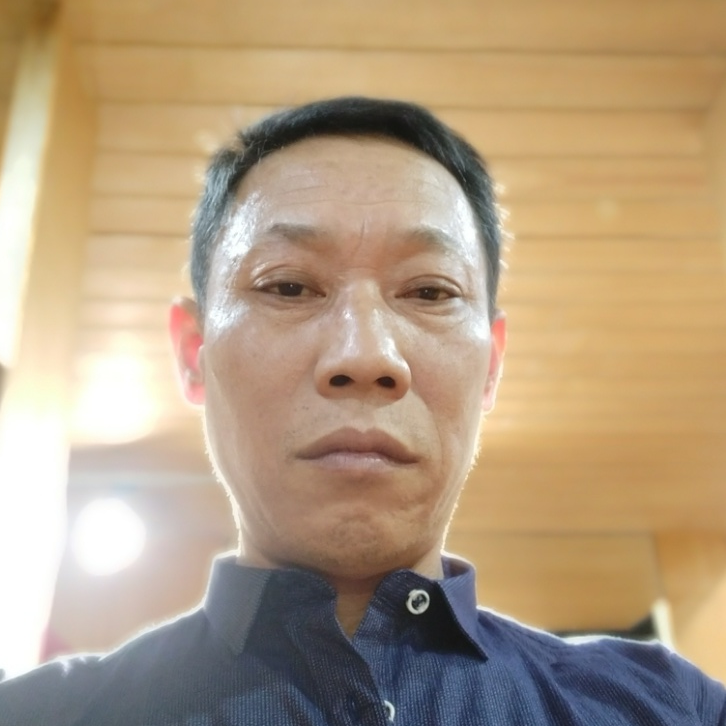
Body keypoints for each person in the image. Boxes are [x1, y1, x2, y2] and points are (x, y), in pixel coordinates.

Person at [0, 96, 724, 725]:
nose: (366, 355)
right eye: (288, 287)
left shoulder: (667, 710)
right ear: (194, 351)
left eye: (430, 292)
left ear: (491, 366)